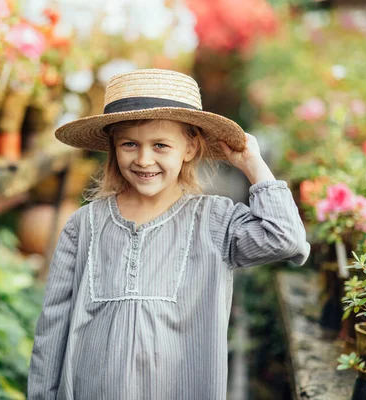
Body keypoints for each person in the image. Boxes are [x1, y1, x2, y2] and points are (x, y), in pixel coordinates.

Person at [27, 69, 310, 400]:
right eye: (129, 144)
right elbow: (53, 328)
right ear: (113, 148)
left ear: (189, 148)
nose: (144, 159)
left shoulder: (215, 221)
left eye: (160, 145)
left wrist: (252, 164)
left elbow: (286, 238)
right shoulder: (84, 224)